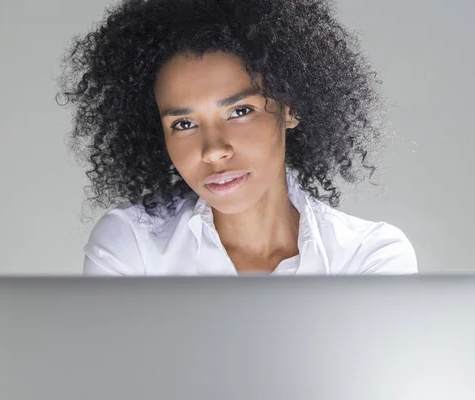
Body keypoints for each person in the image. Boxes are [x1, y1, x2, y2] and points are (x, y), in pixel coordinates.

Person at [57, 0, 417, 276]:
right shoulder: (133, 246)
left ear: (289, 108)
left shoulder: (367, 257)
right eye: (183, 124)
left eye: (240, 111)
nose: (214, 150)